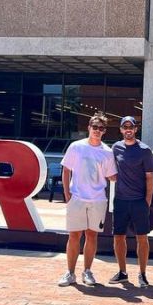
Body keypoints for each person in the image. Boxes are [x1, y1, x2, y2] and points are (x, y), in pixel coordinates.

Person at [58, 113, 117, 287]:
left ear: (104, 131)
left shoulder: (107, 152)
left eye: (101, 128)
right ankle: (70, 273)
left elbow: (112, 176)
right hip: (77, 198)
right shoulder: (76, 147)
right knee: (74, 235)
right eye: (95, 127)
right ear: (89, 128)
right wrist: (68, 195)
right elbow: (66, 169)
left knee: (92, 236)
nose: (97, 130)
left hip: (98, 200)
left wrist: (132, 173)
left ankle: (87, 271)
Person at [108, 116, 153, 288]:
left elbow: (150, 177)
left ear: (136, 129)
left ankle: (142, 274)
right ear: (121, 129)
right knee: (118, 237)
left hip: (138, 201)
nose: (128, 129)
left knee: (142, 238)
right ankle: (122, 272)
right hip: (120, 200)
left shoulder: (144, 150)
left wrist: (147, 200)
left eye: (131, 126)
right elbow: (110, 169)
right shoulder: (116, 147)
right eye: (125, 126)